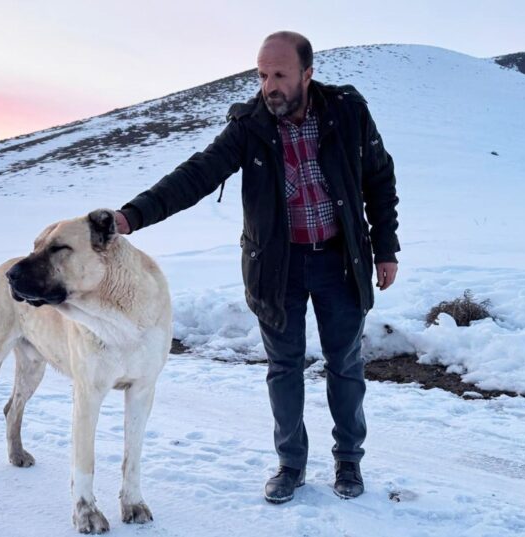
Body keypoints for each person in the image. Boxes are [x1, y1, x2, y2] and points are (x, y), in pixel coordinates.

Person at [111, 30, 399, 504]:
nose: (270, 86)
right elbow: (198, 173)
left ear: (308, 73)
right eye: (263, 75)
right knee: (283, 367)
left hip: (339, 261)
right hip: (276, 267)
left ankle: (348, 460)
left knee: (344, 364)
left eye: (281, 74)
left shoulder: (347, 111)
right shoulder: (249, 125)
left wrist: (385, 248)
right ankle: (291, 464)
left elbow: (379, 178)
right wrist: (132, 215)